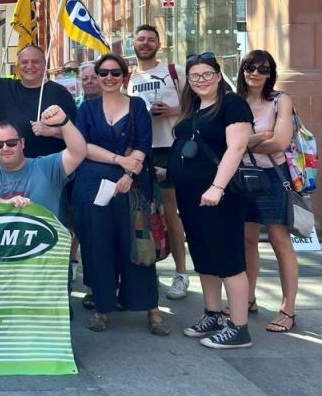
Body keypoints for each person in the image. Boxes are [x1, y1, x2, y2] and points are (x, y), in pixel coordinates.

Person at [72, 55, 169, 335]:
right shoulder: (87, 108)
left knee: (139, 245)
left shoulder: (138, 106)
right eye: (104, 73)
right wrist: (119, 160)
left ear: (124, 76)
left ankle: (150, 307)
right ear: (98, 76)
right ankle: (103, 308)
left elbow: (143, 144)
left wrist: (129, 173)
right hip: (93, 184)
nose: (109, 78)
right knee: (97, 245)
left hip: (133, 185)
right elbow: (83, 146)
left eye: (116, 73)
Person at [167, 52, 254, 349]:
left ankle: (239, 327)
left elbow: (237, 145)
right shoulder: (192, 109)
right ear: (188, 81)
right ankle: (213, 313)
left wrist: (217, 186)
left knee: (228, 258)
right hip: (191, 196)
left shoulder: (232, 104)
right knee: (204, 256)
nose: (201, 80)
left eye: (207, 74)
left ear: (218, 76)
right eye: (195, 76)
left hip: (221, 196)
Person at [126, 24, 191, 300]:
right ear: (134, 44)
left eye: (150, 39)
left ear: (158, 44)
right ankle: (146, 271)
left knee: (171, 213)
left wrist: (175, 110)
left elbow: (203, 102)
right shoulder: (126, 76)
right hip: (139, 150)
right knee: (139, 214)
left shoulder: (176, 72)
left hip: (170, 147)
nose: (145, 43)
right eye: (140, 39)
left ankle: (181, 273)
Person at [237, 50, 299, 333]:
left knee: (279, 239)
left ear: (271, 73)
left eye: (262, 69)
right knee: (247, 240)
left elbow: (280, 142)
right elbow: (228, 142)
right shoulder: (236, 102)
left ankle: (288, 308)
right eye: (250, 67)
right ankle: (248, 298)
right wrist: (255, 140)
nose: (255, 73)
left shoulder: (280, 100)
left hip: (274, 176)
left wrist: (243, 143)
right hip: (243, 176)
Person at [0, 105, 86, 222]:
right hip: (5, 246)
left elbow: (78, 152)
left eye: (11, 143)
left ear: (22, 143)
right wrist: (4, 203)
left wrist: (64, 122)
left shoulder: (46, 167)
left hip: (45, 245)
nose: (5, 148)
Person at [0, 45, 78, 158]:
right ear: (18, 65)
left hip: (52, 167)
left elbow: (77, 133)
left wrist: (52, 131)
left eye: (35, 62)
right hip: (11, 166)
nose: (29, 66)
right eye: (24, 62)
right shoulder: (4, 87)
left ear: (45, 65)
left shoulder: (60, 92)